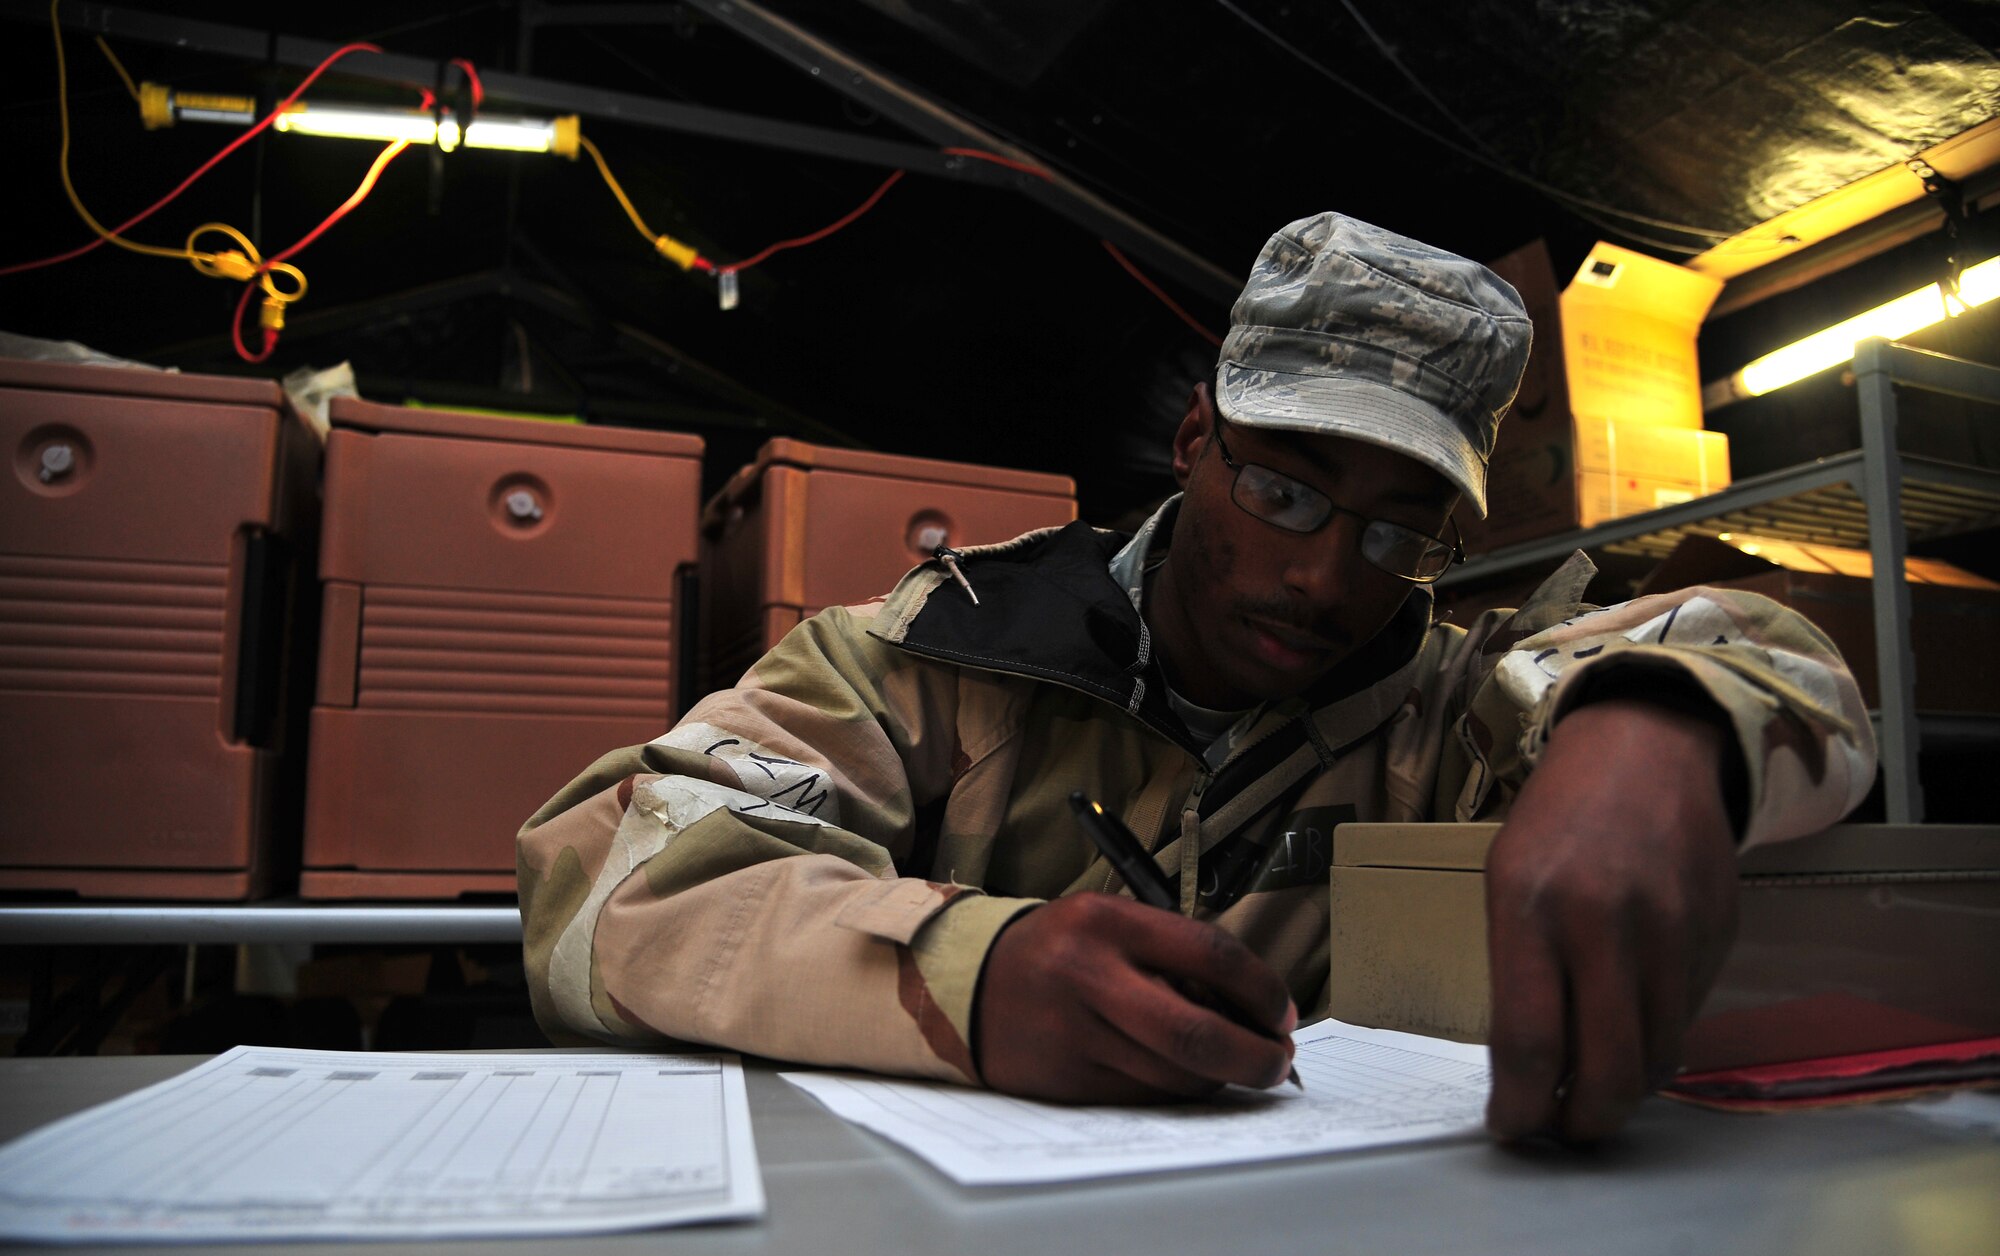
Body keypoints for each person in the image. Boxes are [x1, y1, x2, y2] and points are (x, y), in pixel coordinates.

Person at [518, 213, 1875, 1144]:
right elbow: (610, 887)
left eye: (1401, 534)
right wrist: (971, 978)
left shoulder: (1461, 704)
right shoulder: (934, 659)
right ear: (1192, 444)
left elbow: (1777, 656)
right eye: (1286, 490)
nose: (1326, 577)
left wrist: (1658, 723)